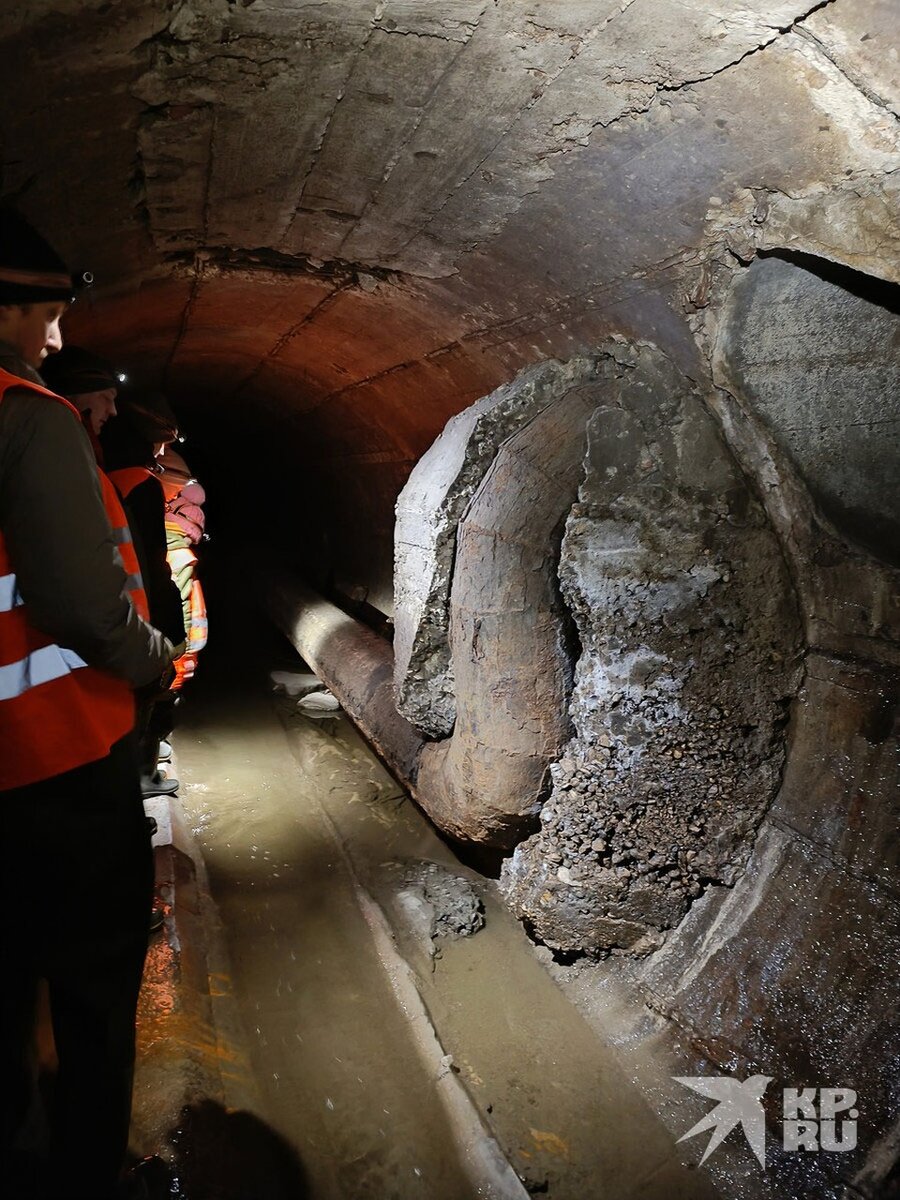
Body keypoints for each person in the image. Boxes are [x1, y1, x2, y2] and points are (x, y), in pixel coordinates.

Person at [0, 209, 179, 1200]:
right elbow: (81, 602)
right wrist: (151, 659)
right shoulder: (28, 417)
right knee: (93, 987)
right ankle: (85, 1175)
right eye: (44, 312)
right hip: (54, 764)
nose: (56, 336)